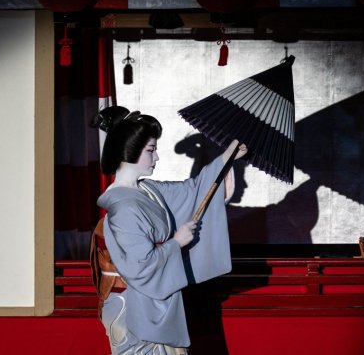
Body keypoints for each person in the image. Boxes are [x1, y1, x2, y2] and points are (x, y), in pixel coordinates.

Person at [89, 106, 247, 355]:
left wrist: (227, 156)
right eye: (151, 150)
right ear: (128, 151)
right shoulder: (124, 207)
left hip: (154, 298)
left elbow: (193, 190)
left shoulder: (148, 190)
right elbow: (141, 266)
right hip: (132, 305)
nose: (156, 157)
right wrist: (176, 242)